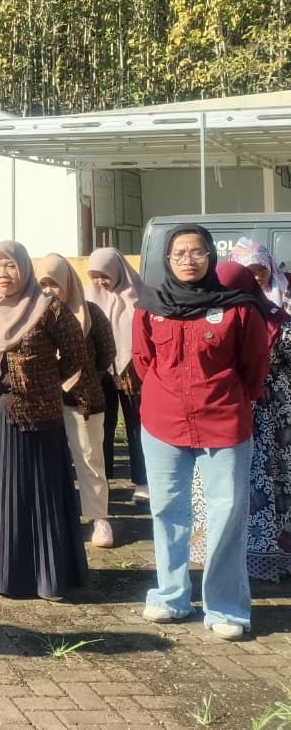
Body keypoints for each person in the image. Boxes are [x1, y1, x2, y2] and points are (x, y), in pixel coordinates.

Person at [133, 225, 270, 640]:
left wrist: (232, 399)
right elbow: (143, 360)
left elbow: (254, 366)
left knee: (226, 514)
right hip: (163, 423)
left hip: (224, 422)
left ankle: (226, 607)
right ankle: (171, 596)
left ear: (211, 256)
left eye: (197, 252)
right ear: (167, 259)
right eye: (179, 253)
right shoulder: (151, 306)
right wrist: (169, 396)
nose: (188, 260)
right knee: (167, 511)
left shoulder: (239, 308)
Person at [0, 241, 88, 601]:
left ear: (25, 269)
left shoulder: (49, 308)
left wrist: (45, 381)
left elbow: (77, 354)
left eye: (11, 266)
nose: (3, 274)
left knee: (36, 494)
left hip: (37, 417)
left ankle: (44, 576)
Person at [189, 261, 291, 583]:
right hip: (224, 411)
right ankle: (219, 549)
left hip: (269, 417)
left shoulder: (276, 319)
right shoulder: (201, 316)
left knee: (265, 478)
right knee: (222, 481)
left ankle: (265, 551)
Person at [36, 253, 118, 549]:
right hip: (42, 401)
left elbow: (107, 354)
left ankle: (99, 518)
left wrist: (84, 378)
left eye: (54, 284)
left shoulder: (91, 313)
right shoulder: (32, 314)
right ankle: (57, 516)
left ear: (68, 283)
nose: (48, 290)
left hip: (82, 400)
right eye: (42, 284)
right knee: (49, 461)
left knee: (89, 459)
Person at [86, 247, 150, 505]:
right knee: (101, 428)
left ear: (118, 271)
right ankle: (103, 480)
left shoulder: (142, 296)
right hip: (100, 373)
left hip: (134, 372)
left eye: (105, 275)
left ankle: (143, 482)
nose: (100, 282)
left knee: (137, 428)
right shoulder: (88, 297)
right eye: (94, 276)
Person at [231, 237, 290, 310]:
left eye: (262, 270)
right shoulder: (234, 297)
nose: (258, 277)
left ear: (270, 267)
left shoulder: (287, 287)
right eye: (250, 272)